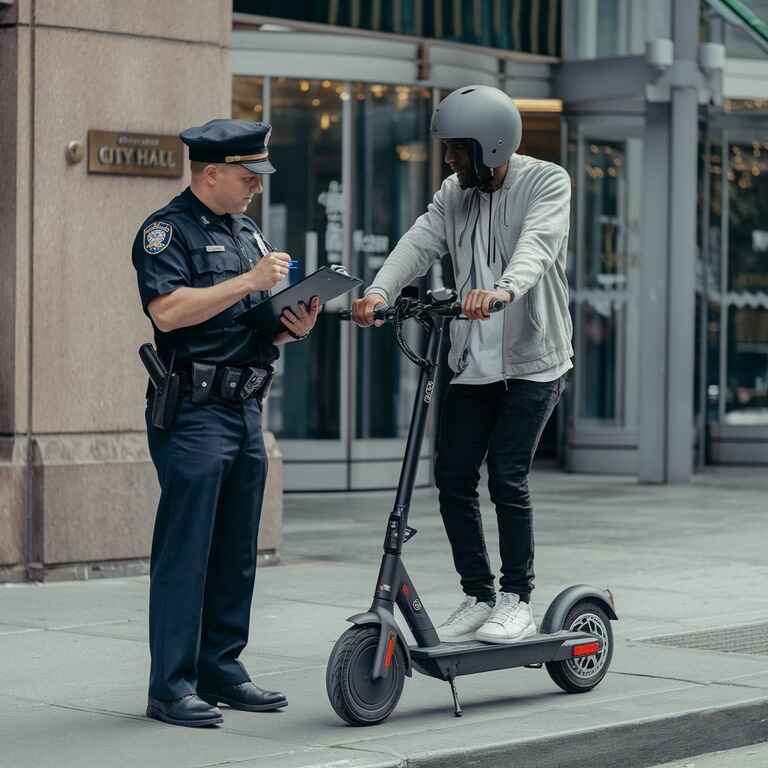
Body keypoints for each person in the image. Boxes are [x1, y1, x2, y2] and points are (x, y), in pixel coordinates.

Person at [352, 86, 573, 645]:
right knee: (452, 476)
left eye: (457, 148)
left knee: (506, 475)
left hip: (533, 362)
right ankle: (478, 594)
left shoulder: (547, 182)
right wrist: (379, 293)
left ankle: (517, 598)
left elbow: (538, 245)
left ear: (493, 146)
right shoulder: (455, 193)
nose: (448, 159)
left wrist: (502, 290)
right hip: (472, 359)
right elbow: (418, 243)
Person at [132, 118, 320, 727]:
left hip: (244, 408)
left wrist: (291, 322)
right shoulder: (166, 232)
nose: (255, 188)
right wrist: (250, 280)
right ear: (210, 173)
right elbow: (167, 311)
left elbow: (252, 319)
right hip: (193, 410)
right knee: (187, 551)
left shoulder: (246, 232)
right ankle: (171, 685)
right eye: (246, 177)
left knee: (237, 549)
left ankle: (221, 669)